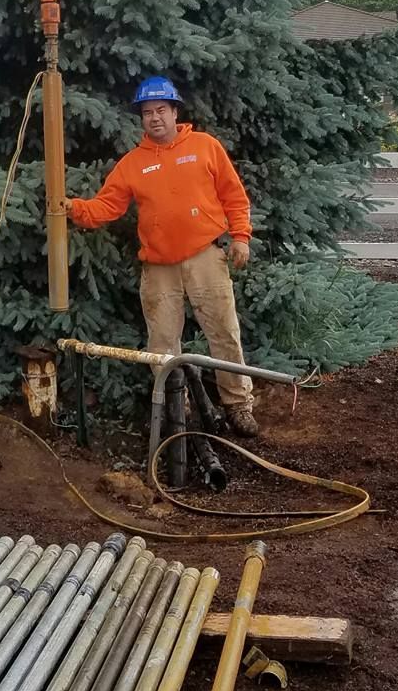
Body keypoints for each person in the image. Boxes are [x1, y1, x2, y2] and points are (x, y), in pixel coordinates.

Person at [64, 75, 257, 435]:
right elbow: (106, 206)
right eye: (147, 112)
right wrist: (72, 207)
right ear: (142, 118)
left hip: (206, 257)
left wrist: (241, 237)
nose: (154, 118)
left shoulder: (205, 146)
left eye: (161, 110)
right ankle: (176, 408)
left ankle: (238, 405)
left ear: (174, 111)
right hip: (158, 267)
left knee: (224, 333)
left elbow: (234, 195)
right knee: (162, 344)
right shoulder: (133, 164)